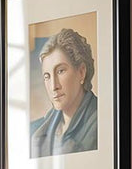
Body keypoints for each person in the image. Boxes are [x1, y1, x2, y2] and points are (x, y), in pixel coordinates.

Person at [30, 28, 98, 157]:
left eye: (61, 71)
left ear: (81, 72)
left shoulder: (102, 121)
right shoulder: (36, 131)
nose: (54, 86)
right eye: (47, 76)